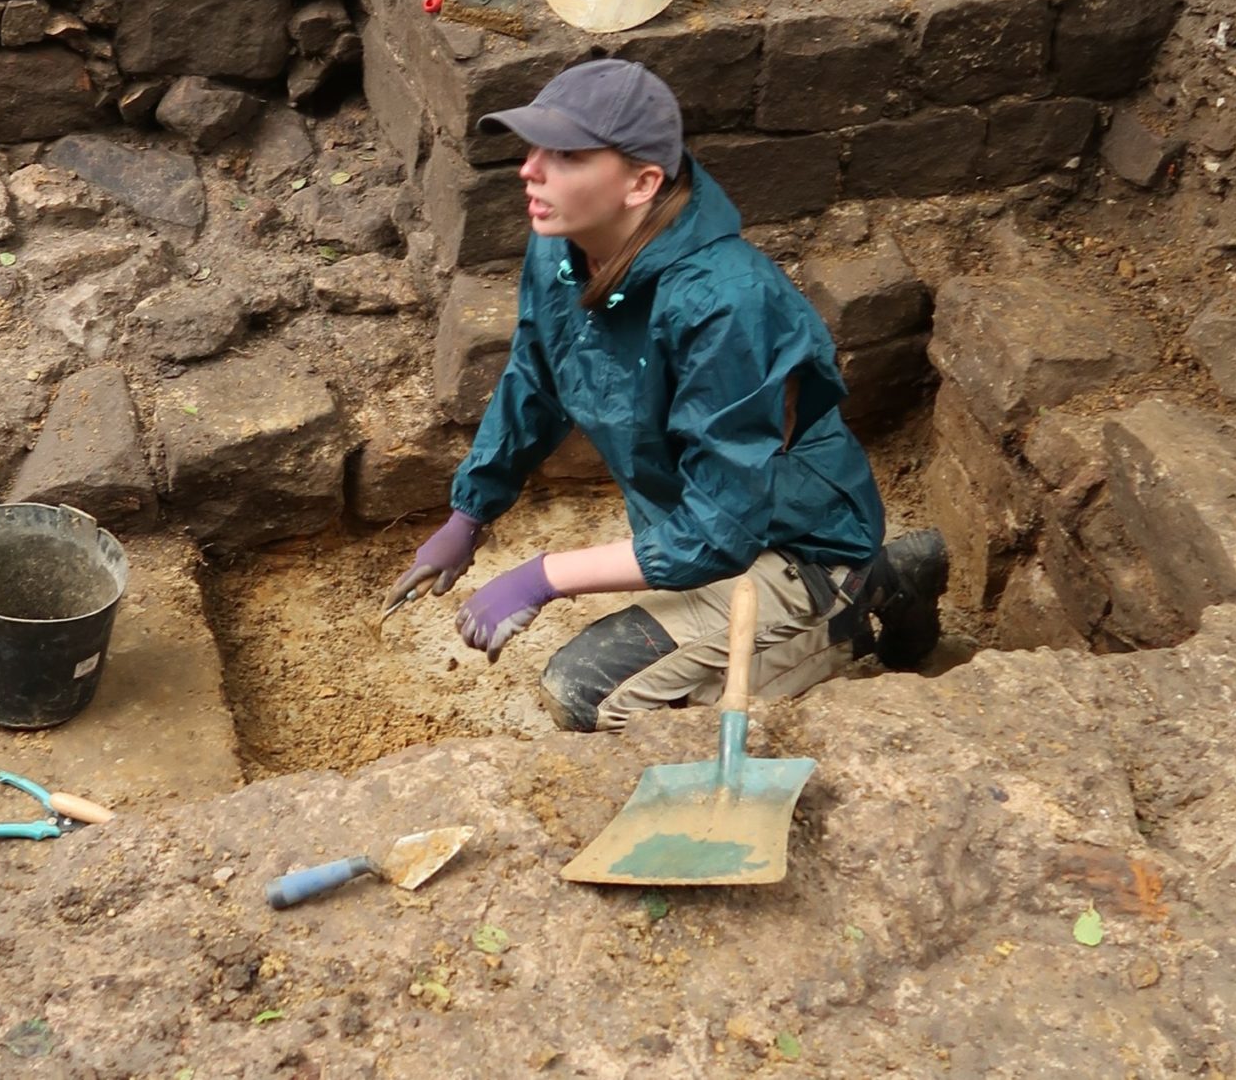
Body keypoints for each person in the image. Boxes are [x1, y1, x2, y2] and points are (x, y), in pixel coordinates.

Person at [384, 59, 949, 732]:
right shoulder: (564, 251)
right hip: (691, 519)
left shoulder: (724, 304)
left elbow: (720, 531)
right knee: (642, 640)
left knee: (587, 694)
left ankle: (854, 604)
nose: (528, 170)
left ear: (642, 182)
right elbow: (535, 376)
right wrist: (469, 515)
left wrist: (543, 577)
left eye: (564, 155)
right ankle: (878, 581)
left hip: (792, 543)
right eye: (532, 148)